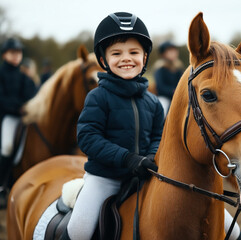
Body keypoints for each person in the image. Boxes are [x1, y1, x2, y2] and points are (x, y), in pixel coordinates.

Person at [62, 12, 164, 240]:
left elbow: (159, 136)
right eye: (116, 53)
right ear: (103, 60)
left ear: (144, 58)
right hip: (105, 179)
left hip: (145, 177)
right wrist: (127, 158)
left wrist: (150, 157)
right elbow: (88, 137)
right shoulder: (97, 97)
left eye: (134, 52)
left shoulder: (154, 102)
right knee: (79, 231)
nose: (126, 58)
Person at [0, 37, 37, 204]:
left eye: (19, 52)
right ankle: (1, 186)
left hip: (23, 119)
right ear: (5, 55)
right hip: (7, 117)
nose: (16, 56)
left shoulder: (24, 76)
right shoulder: (1, 73)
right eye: (13, 52)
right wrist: (18, 107)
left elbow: (32, 94)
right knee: (7, 147)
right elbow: (2, 100)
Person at [154, 41, 184, 116]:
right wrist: (173, 91)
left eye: (174, 50)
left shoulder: (179, 68)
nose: (173, 53)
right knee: (162, 111)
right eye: (170, 51)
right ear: (163, 54)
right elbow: (160, 87)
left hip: (178, 97)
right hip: (165, 97)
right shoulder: (160, 69)